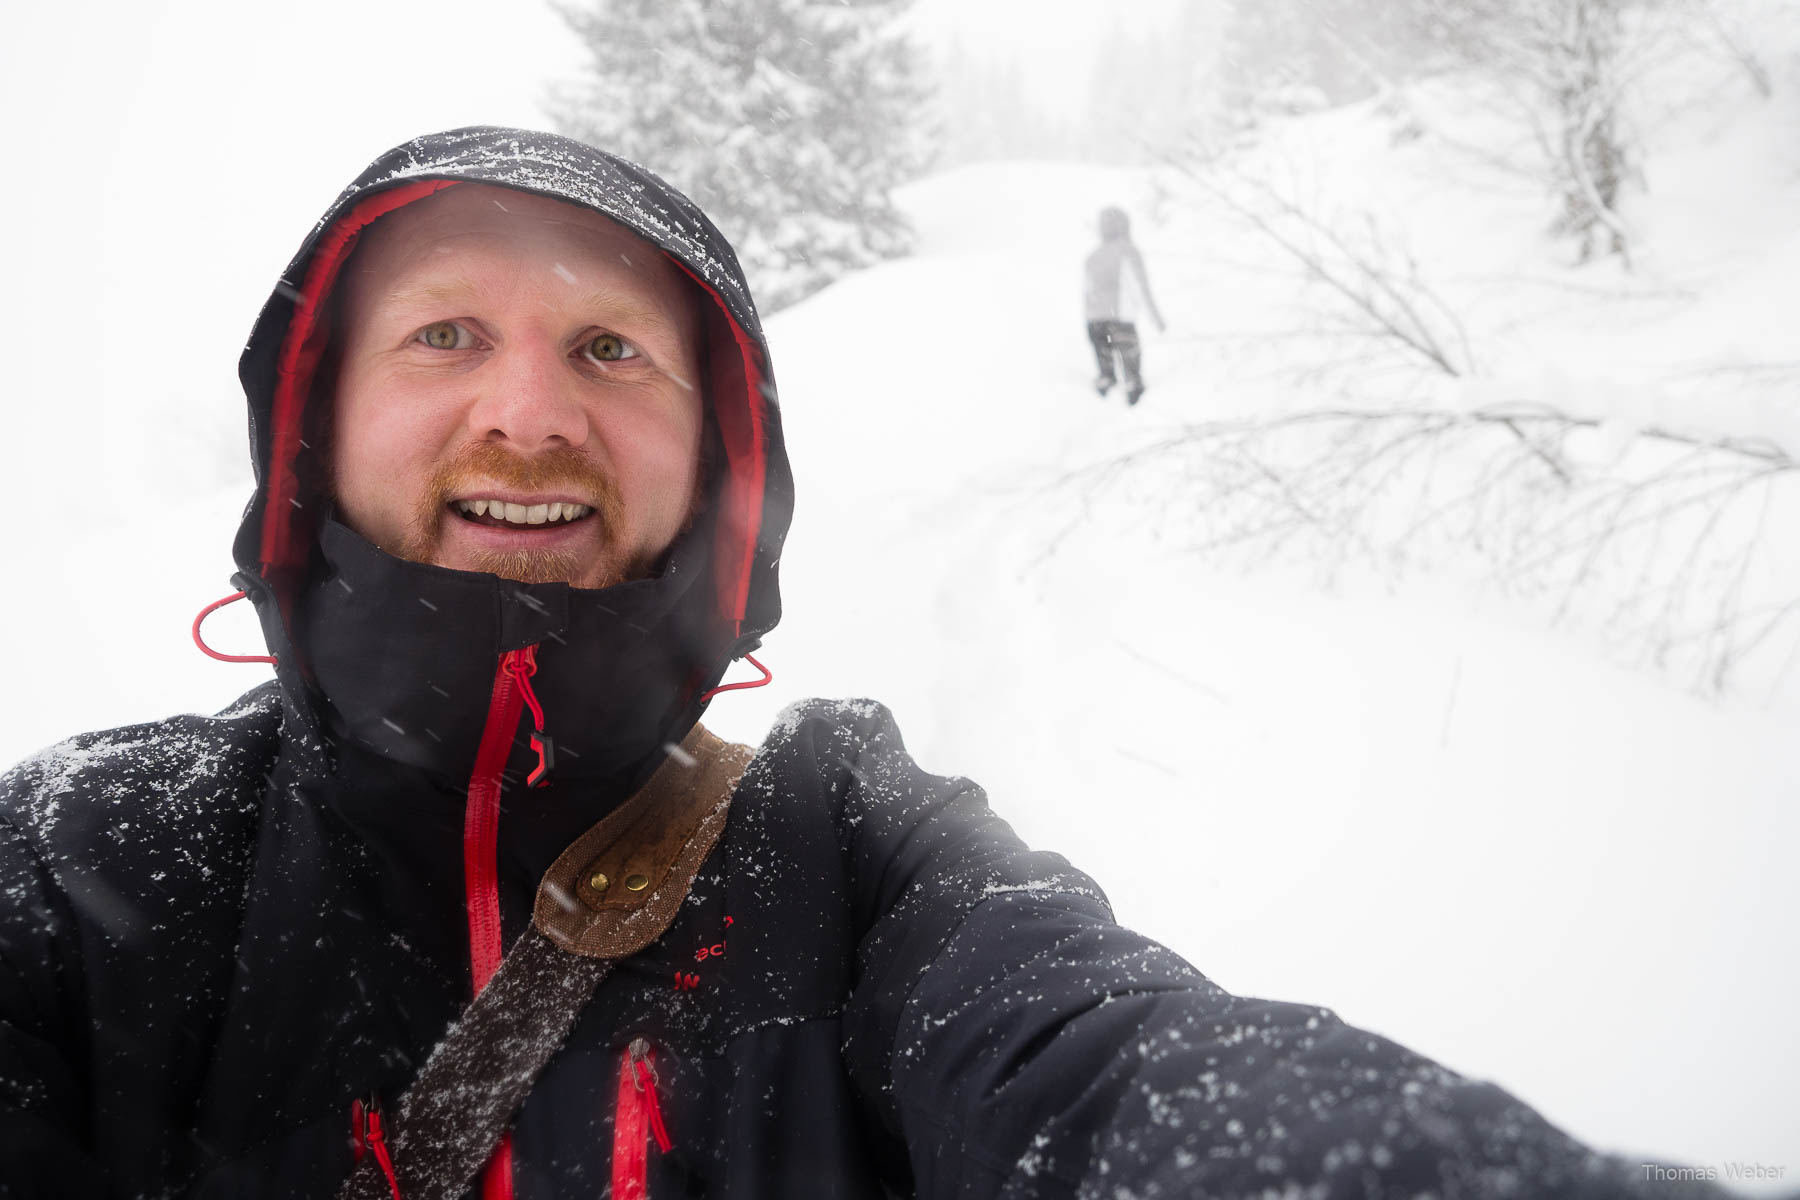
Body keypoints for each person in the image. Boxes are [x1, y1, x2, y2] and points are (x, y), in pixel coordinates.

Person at [0, 127, 1727, 1199]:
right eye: (445, 332)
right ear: (313, 427)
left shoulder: (851, 846)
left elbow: (1108, 1065)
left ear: (720, 464)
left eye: (610, 347)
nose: (526, 407)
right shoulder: (76, 870)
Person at [1084, 205, 1166, 407]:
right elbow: (1140, 287)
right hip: (1119, 319)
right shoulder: (1128, 251)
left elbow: (1087, 292)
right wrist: (1156, 319)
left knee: (1107, 376)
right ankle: (1134, 405)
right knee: (1132, 376)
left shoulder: (1093, 257)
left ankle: (1101, 401)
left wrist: (1091, 318)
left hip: (1094, 321)